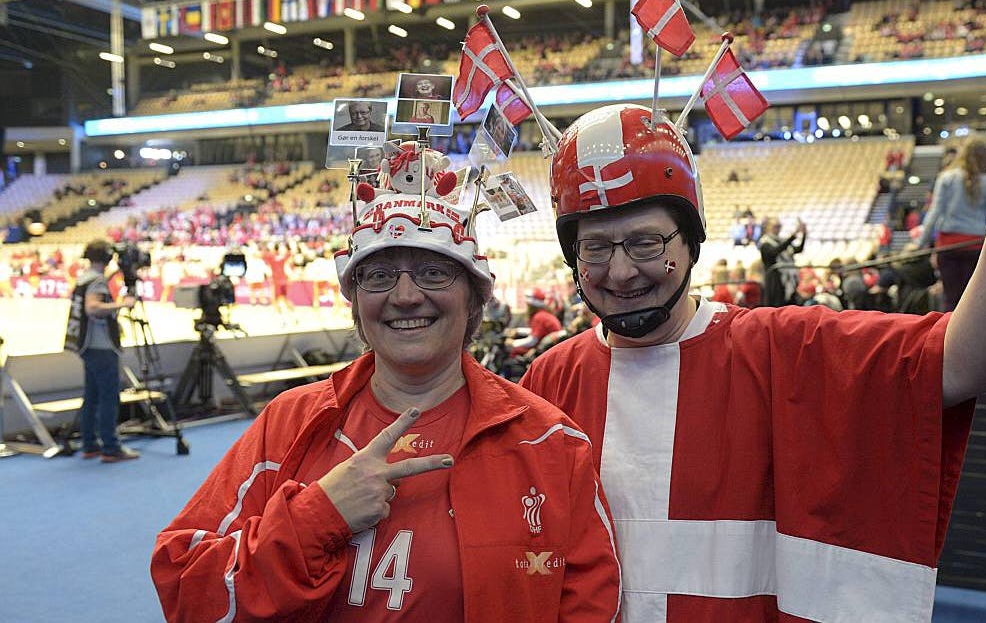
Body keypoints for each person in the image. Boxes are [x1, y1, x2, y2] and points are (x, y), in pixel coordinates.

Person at [521, 16, 986, 622]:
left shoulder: (785, 348)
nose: (621, 272)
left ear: (690, 243)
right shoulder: (548, 383)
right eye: (595, 249)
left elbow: (972, 358)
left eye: (645, 242)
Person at [152, 182, 620, 622]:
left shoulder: (549, 441)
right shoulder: (290, 423)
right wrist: (318, 517)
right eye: (378, 276)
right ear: (355, 301)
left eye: (434, 272)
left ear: (475, 297)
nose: (405, 296)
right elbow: (187, 588)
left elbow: (591, 602)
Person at [63, 240, 138, 462]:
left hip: (87, 345)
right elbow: (93, 307)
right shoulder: (96, 282)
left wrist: (115, 274)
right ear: (106, 257)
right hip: (101, 346)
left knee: (92, 396)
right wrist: (123, 305)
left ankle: (90, 444)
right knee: (108, 397)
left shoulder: (85, 278)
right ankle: (111, 447)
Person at [917, 138, 986, 310]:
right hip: (976, 246)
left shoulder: (946, 178)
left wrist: (920, 243)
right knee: (974, 300)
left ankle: (946, 336)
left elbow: (935, 212)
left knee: (951, 299)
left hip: (948, 246)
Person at [757, 216, 806, 307]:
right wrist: (794, 236)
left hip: (786, 281)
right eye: (775, 226)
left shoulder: (781, 241)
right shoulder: (765, 243)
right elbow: (775, 251)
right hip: (774, 281)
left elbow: (798, 249)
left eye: (779, 226)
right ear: (768, 227)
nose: (778, 229)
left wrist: (804, 234)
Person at [509, 287, 564, 355]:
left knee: (513, 350)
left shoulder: (539, 317)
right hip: (551, 347)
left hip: (547, 350)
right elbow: (536, 331)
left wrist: (513, 343)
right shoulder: (543, 314)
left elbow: (533, 340)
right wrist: (518, 331)